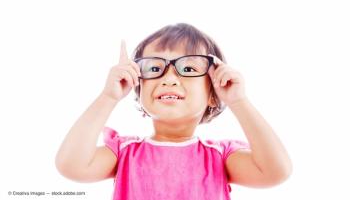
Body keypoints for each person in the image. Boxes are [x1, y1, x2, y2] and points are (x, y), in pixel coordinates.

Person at [55, 23, 292, 200]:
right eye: (155, 67)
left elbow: (275, 171)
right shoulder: (125, 153)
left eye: (188, 68)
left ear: (213, 94)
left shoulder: (219, 156)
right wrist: (108, 97)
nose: (169, 78)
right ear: (139, 86)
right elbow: (71, 166)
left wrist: (239, 101)